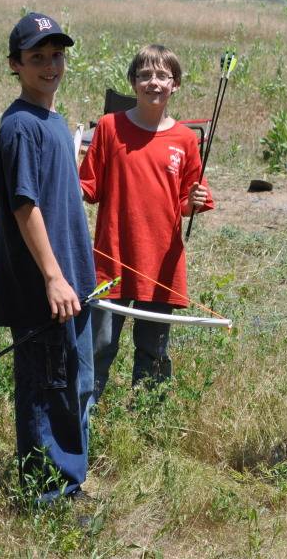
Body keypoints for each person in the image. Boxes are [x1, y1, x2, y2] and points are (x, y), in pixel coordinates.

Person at [0, 12, 96, 503]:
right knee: (46, 389)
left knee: (68, 387)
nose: (50, 65)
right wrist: (53, 278)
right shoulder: (19, 127)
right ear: (15, 64)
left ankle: (69, 484)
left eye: (57, 55)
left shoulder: (53, 121)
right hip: (44, 290)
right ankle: (47, 496)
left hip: (72, 282)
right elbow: (24, 206)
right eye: (37, 57)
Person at [79, 44, 213, 400]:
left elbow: (188, 201)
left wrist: (193, 203)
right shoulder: (109, 128)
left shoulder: (185, 139)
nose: (153, 82)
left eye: (161, 76)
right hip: (112, 260)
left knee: (153, 350)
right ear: (133, 82)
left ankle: (147, 420)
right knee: (98, 346)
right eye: (144, 75)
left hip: (160, 266)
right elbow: (87, 188)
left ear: (175, 84)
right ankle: (82, 421)